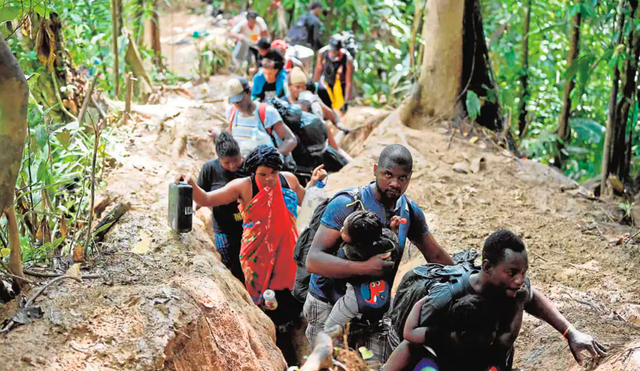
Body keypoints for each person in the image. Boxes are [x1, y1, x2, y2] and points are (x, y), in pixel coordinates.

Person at [177, 145, 327, 365]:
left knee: (287, 290)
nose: (269, 180)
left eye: (273, 173)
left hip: (286, 248)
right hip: (256, 255)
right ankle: (270, 333)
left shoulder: (289, 180)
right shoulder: (243, 186)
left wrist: (314, 183)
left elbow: (307, 200)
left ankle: (290, 327)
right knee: (261, 297)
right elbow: (208, 198)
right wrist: (190, 183)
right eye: (262, 174)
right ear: (253, 172)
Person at [303, 144, 453, 361]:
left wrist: (466, 280)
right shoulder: (347, 204)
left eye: (402, 178)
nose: (395, 183)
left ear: (410, 178)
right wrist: (364, 268)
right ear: (375, 170)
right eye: (388, 174)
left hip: (372, 306)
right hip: (328, 302)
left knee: (375, 364)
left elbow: (436, 256)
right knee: (329, 362)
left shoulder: (408, 212)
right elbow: (313, 261)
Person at [385, 229, 607, 370]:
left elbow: (532, 298)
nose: (520, 280)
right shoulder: (448, 295)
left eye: (524, 273)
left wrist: (570, 332)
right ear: (487, 267)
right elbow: (409, 342)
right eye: (512, 273)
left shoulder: (514, 291)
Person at [322, 211, 402, 333]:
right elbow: (394, 243)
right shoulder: (389, 244)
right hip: (383, 295)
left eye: (345, 231)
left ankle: (333, 348)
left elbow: (338, 272)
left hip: (355, 299)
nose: (341, 229)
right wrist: (393, 229)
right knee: (389, 324)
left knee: (329, 328)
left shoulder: (348, 252)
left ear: (356, 241)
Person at [384, 295, 500, 371]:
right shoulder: (477, 350)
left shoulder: (440, 334)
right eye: (489, 334)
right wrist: (418, 304)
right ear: (465, 335)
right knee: (408, 345)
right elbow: (409, 335)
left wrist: (418, 304)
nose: (494, 336)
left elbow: (410, 332)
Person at [196, 132, 244, 282]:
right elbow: (199, 196)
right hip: (224, 229)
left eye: (236, 161)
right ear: (219, 159)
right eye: (226, 163)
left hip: (249, 227)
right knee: (231, 264)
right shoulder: (209, 169)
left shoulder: (249, 167)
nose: (232, 166)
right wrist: (189, 211)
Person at [225, 77, 296, 163]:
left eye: (240, 99)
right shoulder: (232, 113)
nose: (237, 104)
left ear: (249, 92)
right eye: (234, 101)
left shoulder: (266, 113)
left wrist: (272, 159)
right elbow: (230, 137)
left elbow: (290, 140)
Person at [313, 35, 354, 114]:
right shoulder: (322, 53)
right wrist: (314, 87)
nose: (332, 53)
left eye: (335, 51)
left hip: (340, 85)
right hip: (326, 83)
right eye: (331, 51)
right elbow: (318, 69)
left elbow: (349, 82)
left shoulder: (347, 59)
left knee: (340, 109)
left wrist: (346, 101)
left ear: (340, 50)